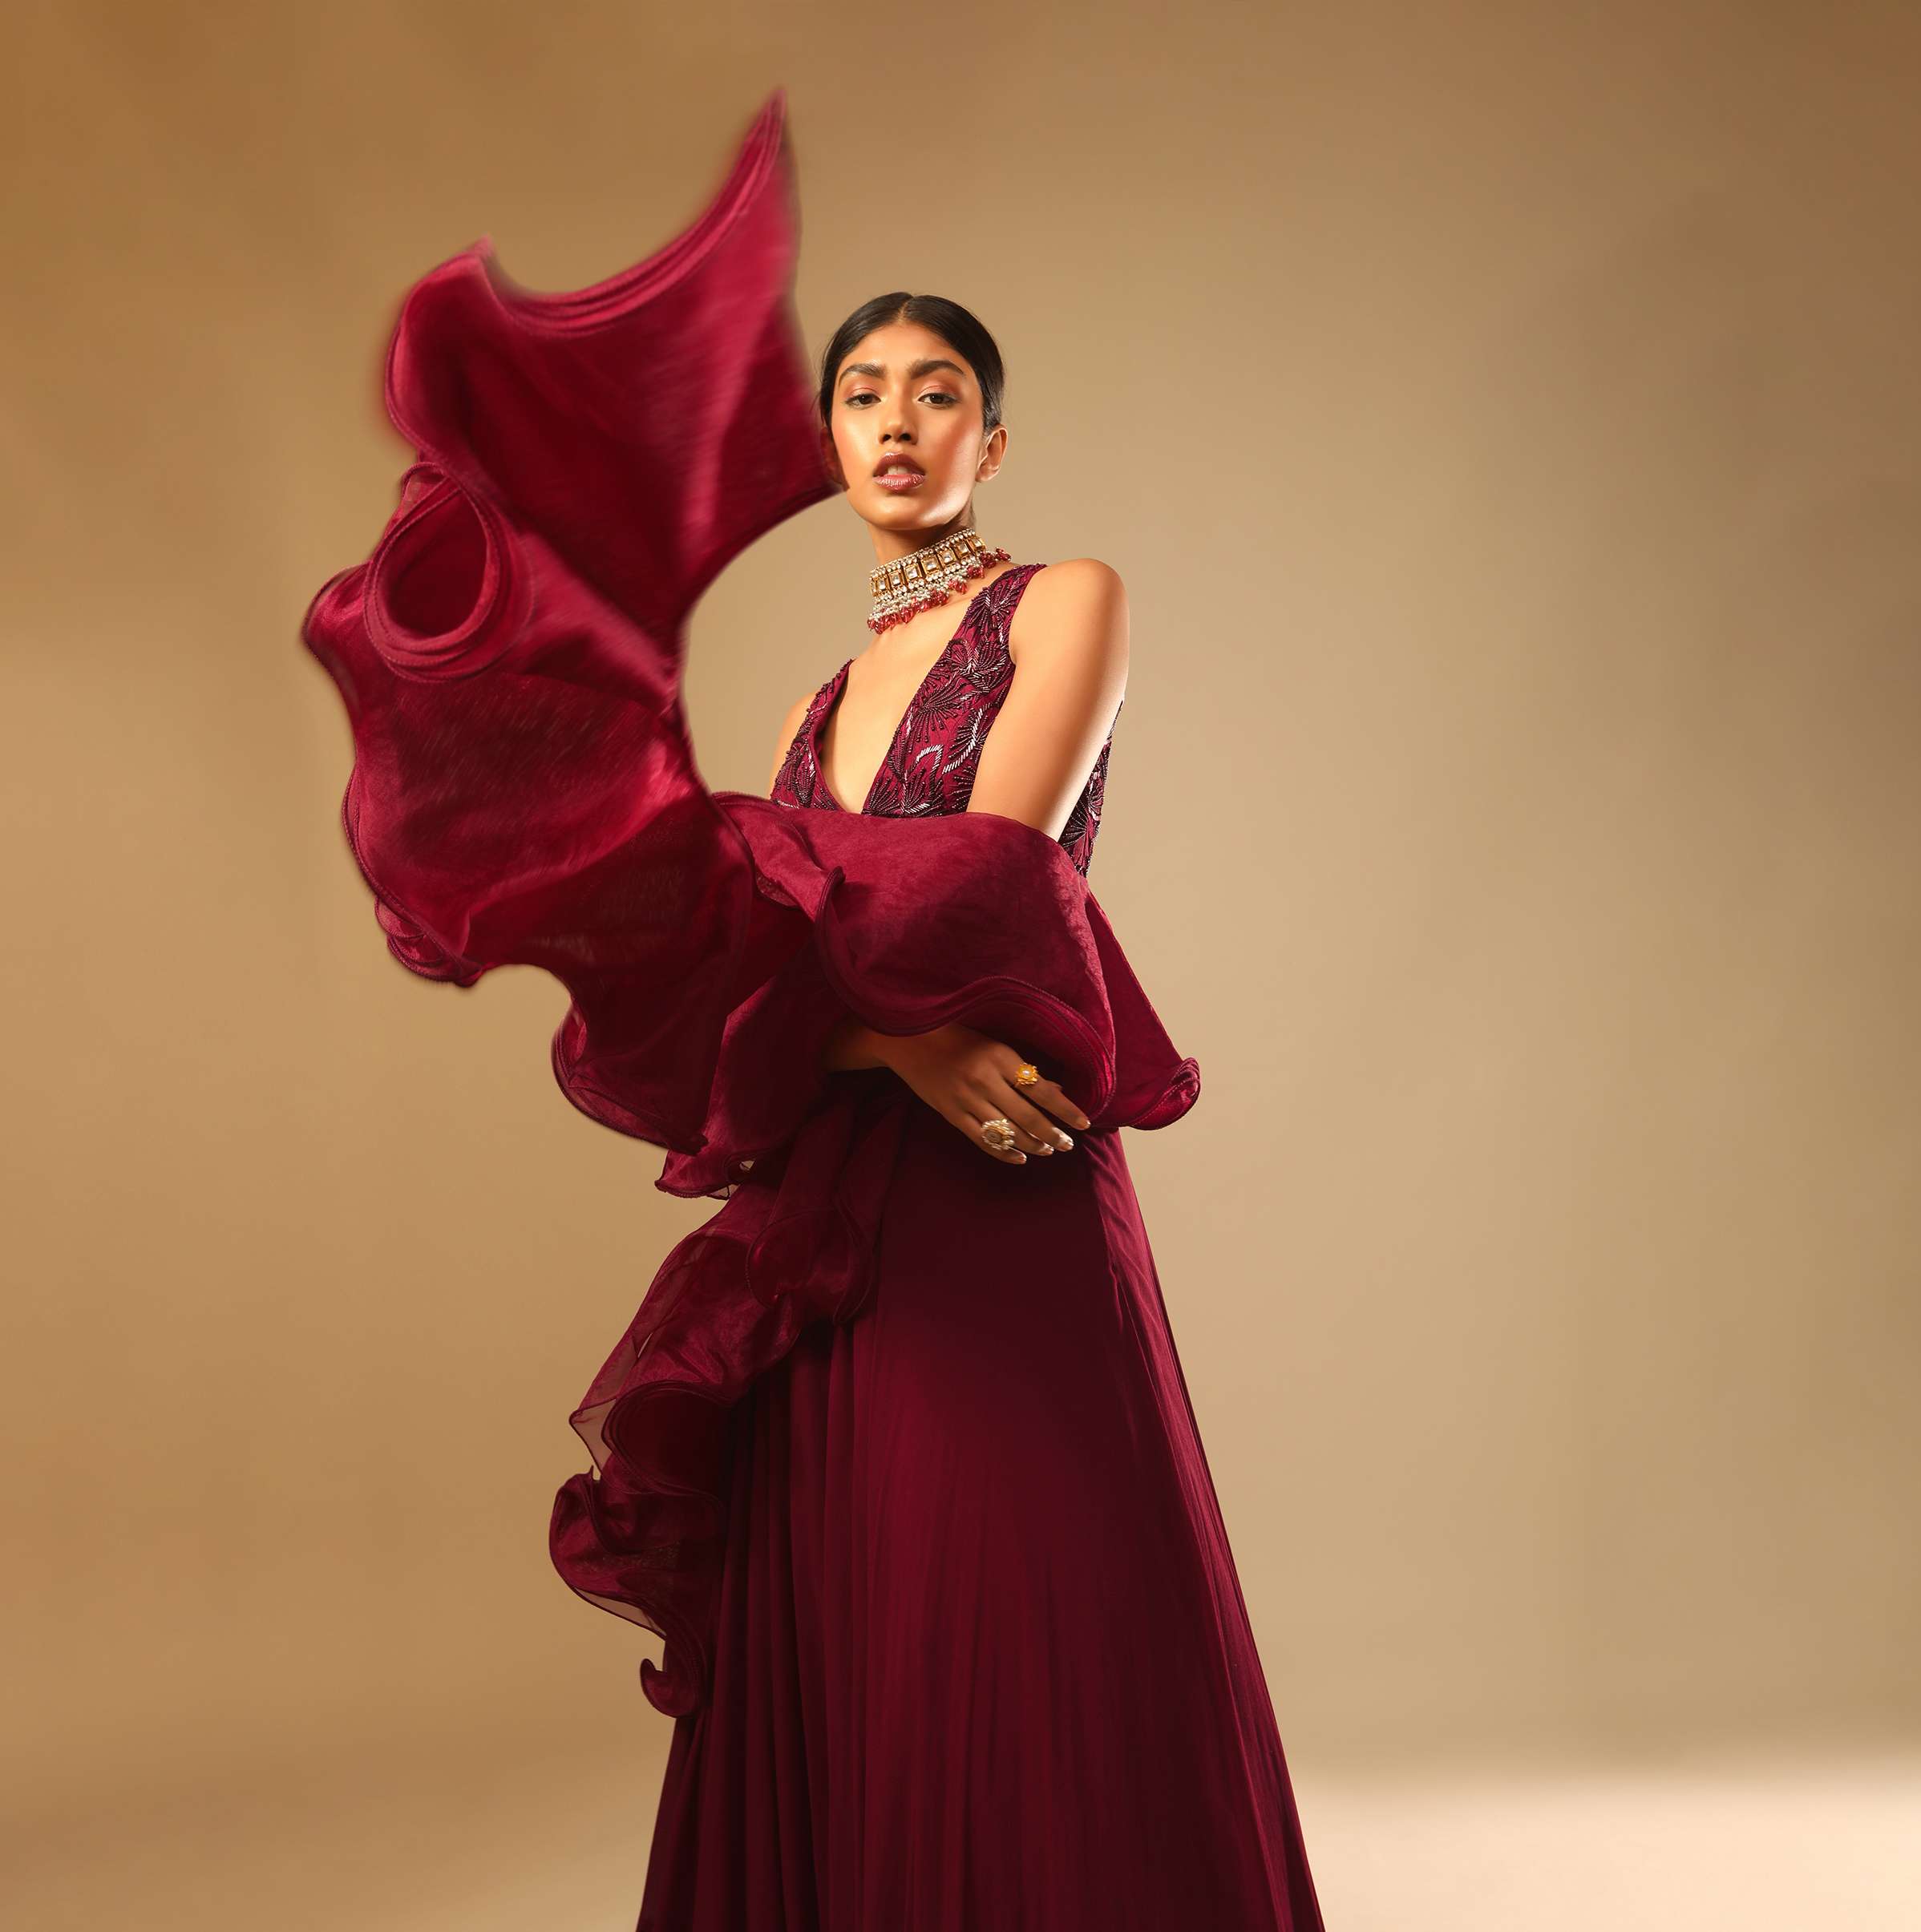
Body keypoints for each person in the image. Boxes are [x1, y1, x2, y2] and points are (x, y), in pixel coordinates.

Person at [301, 88, 1325, 1931]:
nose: (896, 421)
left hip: (1004, 1185)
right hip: (849, 1201)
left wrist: (779, 922)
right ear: (827, 436)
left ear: (989, 435)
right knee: (855, 1609)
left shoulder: (1063, 600)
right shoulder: (803, 709)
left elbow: (995, 877)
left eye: (934, 392)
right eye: (862, 394)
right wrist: (869, 1036)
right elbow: (759, 988)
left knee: (1037, 1599)